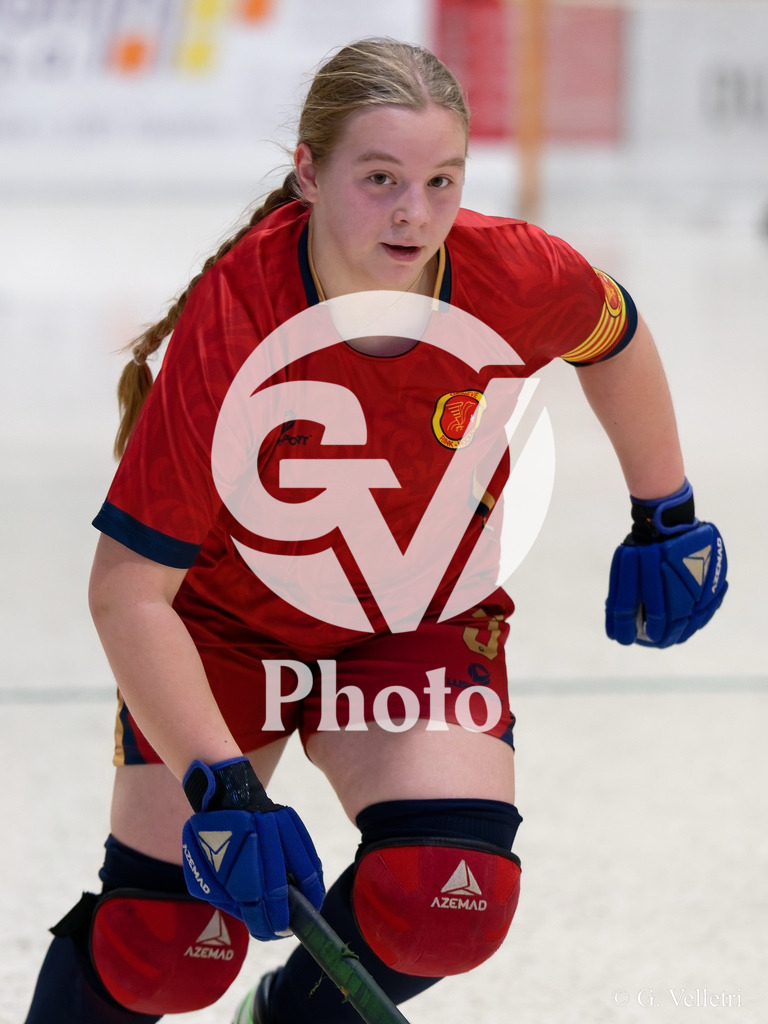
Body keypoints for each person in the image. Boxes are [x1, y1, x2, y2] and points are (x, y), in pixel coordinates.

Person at [23, 36, 728, 1024]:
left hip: (413, 623)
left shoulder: (508, 271)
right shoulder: (236, 323)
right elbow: (127, 590)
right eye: (381, 178)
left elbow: (611, 333)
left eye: (443, 180)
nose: (415, 213)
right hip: (224, 631)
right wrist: (219, 786)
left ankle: (292, 1016)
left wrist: (667, 512)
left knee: (450, 895)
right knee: (164, 951)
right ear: (308, 173)